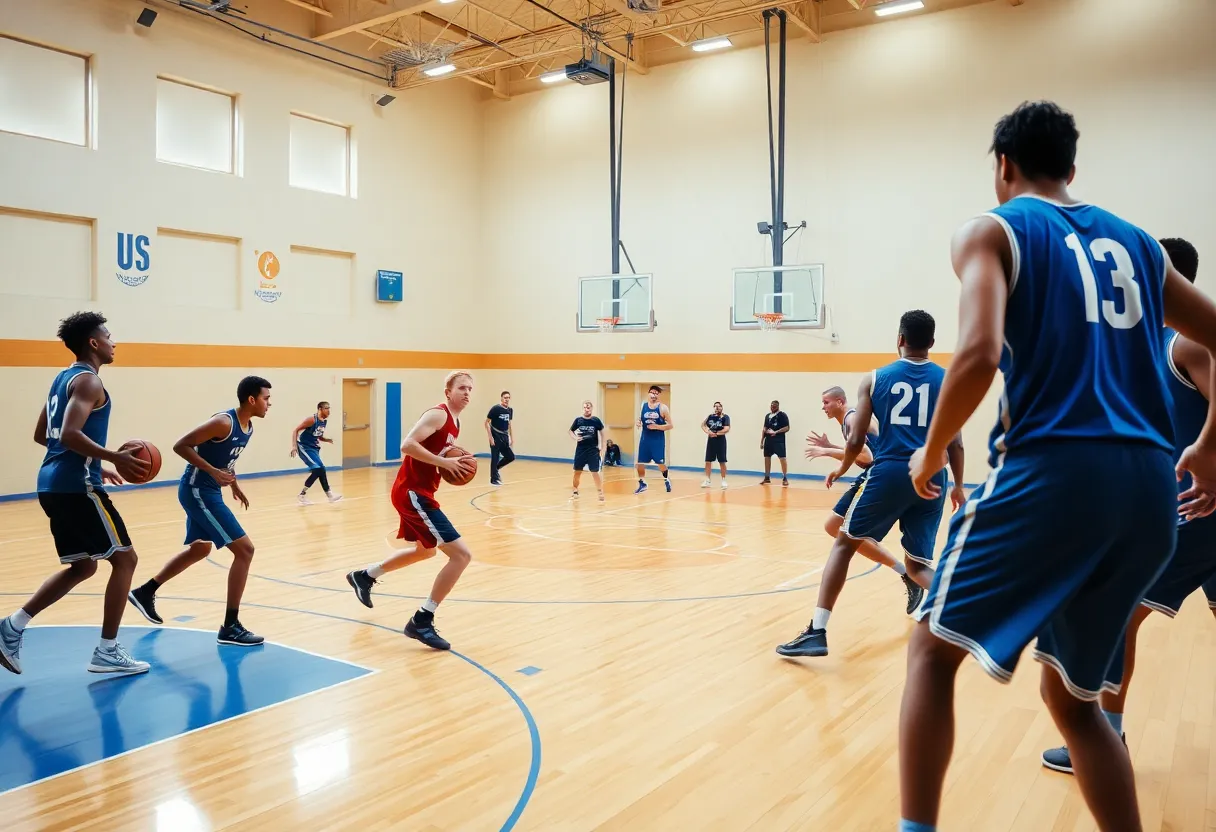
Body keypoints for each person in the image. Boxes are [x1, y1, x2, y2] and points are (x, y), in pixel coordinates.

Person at [898, 102, 1216, 832]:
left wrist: (930, 448)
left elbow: (977, 355)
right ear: (1073, 168)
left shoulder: (991, 228)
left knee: (928, 652)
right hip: (1147, 491)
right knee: (1074, 702)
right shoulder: (1140, 243)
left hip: (1055, 472)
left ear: (1002, 167)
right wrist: (1213, 445)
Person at [1040, 238, 1216, 774]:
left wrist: (1208, 454)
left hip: (1193, 510)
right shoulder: (1146, 347)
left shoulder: (1183, 342)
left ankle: (1105, 741)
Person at [776, 311, 965, 659]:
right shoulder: (949, 379)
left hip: (891, 471)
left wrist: (841, 467)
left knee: (843, 544)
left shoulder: (874, 379)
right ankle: (963, 608)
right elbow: (956, 442)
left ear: (899, 339)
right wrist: (959, 485)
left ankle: (817, 631)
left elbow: (856, 441)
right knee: (918, 565)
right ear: (933, 343)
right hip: (935, 476)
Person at [0, 312, 151, 676]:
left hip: (51, 483)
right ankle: (107, 651)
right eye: (109, 336)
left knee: (83, 566)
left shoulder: (62, 379)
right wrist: (111, 455)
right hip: (76, 486)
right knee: (125, 561)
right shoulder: (90, 383)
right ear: (94, 343)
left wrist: (99, 463)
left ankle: (11, 626)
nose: (115, 342)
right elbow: (67, 434)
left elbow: (44, 434)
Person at [127, 376, 271, 647]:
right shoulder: (223, 422)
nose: (269, 404)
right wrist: (212, 471)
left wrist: (234, 485)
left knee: (200, 549)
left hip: (210, 490)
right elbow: (180, 445)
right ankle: (230, 626)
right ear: (251, 399)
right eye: (266, 398)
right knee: (245, 550)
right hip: (197, 490)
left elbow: (226, 459)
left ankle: (145, 592)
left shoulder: (248, 427)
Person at [345, 371, 478, 650]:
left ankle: (365, 576)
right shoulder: (438, 415)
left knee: (425, 551)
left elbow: (435, 455)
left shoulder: (455, 423)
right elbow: (406, 445)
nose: (467, 393)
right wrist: (445, 464)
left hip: (419, 492)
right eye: (461, 388)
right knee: (461, 555)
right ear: (448, 392)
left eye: (470, 389)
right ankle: (422, 619)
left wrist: (449, 464)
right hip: (412, 493)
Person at [807, 386, 915, 600]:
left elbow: (865, 456)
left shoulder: (851, 418)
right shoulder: (850, 419)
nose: (823, 407)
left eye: (826, 402)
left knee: (842, 531)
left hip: (878, 474)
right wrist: (832, 446)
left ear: (839, 401)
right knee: (835, 527)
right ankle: (906, 573)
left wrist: (827, 451)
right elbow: (857, 451)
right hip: (878, 473)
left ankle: (909, 574)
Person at [291, 401, 341, 505]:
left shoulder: (323, 422)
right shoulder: (312, 420)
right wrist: (294, 446)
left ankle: (329, 495)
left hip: (313, 448)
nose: (329, 411)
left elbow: (317, 434)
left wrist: (326, 439)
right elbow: (295, 430)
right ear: (320, 409)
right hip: (304, 447)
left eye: (329, 408)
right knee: (317, 469)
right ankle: (302, 495)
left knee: (321, 469)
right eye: (326, 408)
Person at [634, 385, 672, 494]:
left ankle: (666, 479)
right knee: (640, 462)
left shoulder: (663, 408)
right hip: (645, 438)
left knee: (660, 463)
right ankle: (642, 483)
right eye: (652, 392)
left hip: (657, 440)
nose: (654, 395)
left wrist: (657, 427)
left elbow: (670, 425)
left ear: (659, 395)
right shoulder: (643, 405)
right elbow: (640, 418)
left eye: (656, 393)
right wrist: (638, 422)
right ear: (648, 393)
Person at [569, 399, 606, 502]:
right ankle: (575, 490)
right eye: (585, 407)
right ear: (583, 409)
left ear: (591, 408)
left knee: (595, 472)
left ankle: (600, 492)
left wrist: (603, 447)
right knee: (577, 471)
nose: (586, 409)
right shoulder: (578, 420)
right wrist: (575, 438)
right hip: (581, 450)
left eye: (588, 407)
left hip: (593, 450)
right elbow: (570, 431)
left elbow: (603, 433)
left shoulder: (596, 421)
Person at [486, 391, 514, 486]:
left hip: (504, 437)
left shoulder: (510, 410)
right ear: (501, 398)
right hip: (495, 436)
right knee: (495, 457)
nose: (507, 399)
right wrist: (490, 437)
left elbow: (509, 424)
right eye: (505, 397)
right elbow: (486, 423)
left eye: (508, 398)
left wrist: (510, 437)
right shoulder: (495, 409)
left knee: (510, 457)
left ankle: (495, 469)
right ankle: (493, 479)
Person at [701, 402, 731, 489]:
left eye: (719, 406)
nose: (717, 408)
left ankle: (723, 480)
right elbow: (703, 425)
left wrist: (717, 433)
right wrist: (708, 432)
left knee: (722, 461)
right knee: (708, 461)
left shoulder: (725, 417)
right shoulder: (710, 416)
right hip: (711, 440)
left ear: (722, 407)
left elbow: (726, 429)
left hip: (720, 440)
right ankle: (707, 480)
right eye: (716, 406)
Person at [760, 401, 790, 486]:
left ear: (778, 406)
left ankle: (785, 477)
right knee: (767, 457)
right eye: (771, 406)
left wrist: (776, 432)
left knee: (782, 458)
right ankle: (767, 477)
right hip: (768, 441)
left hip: (779, 440)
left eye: (774, 406)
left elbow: (787, 427)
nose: (772, 407)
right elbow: (764, 428)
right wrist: (762, 441)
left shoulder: (782, 415)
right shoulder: (767, 416)